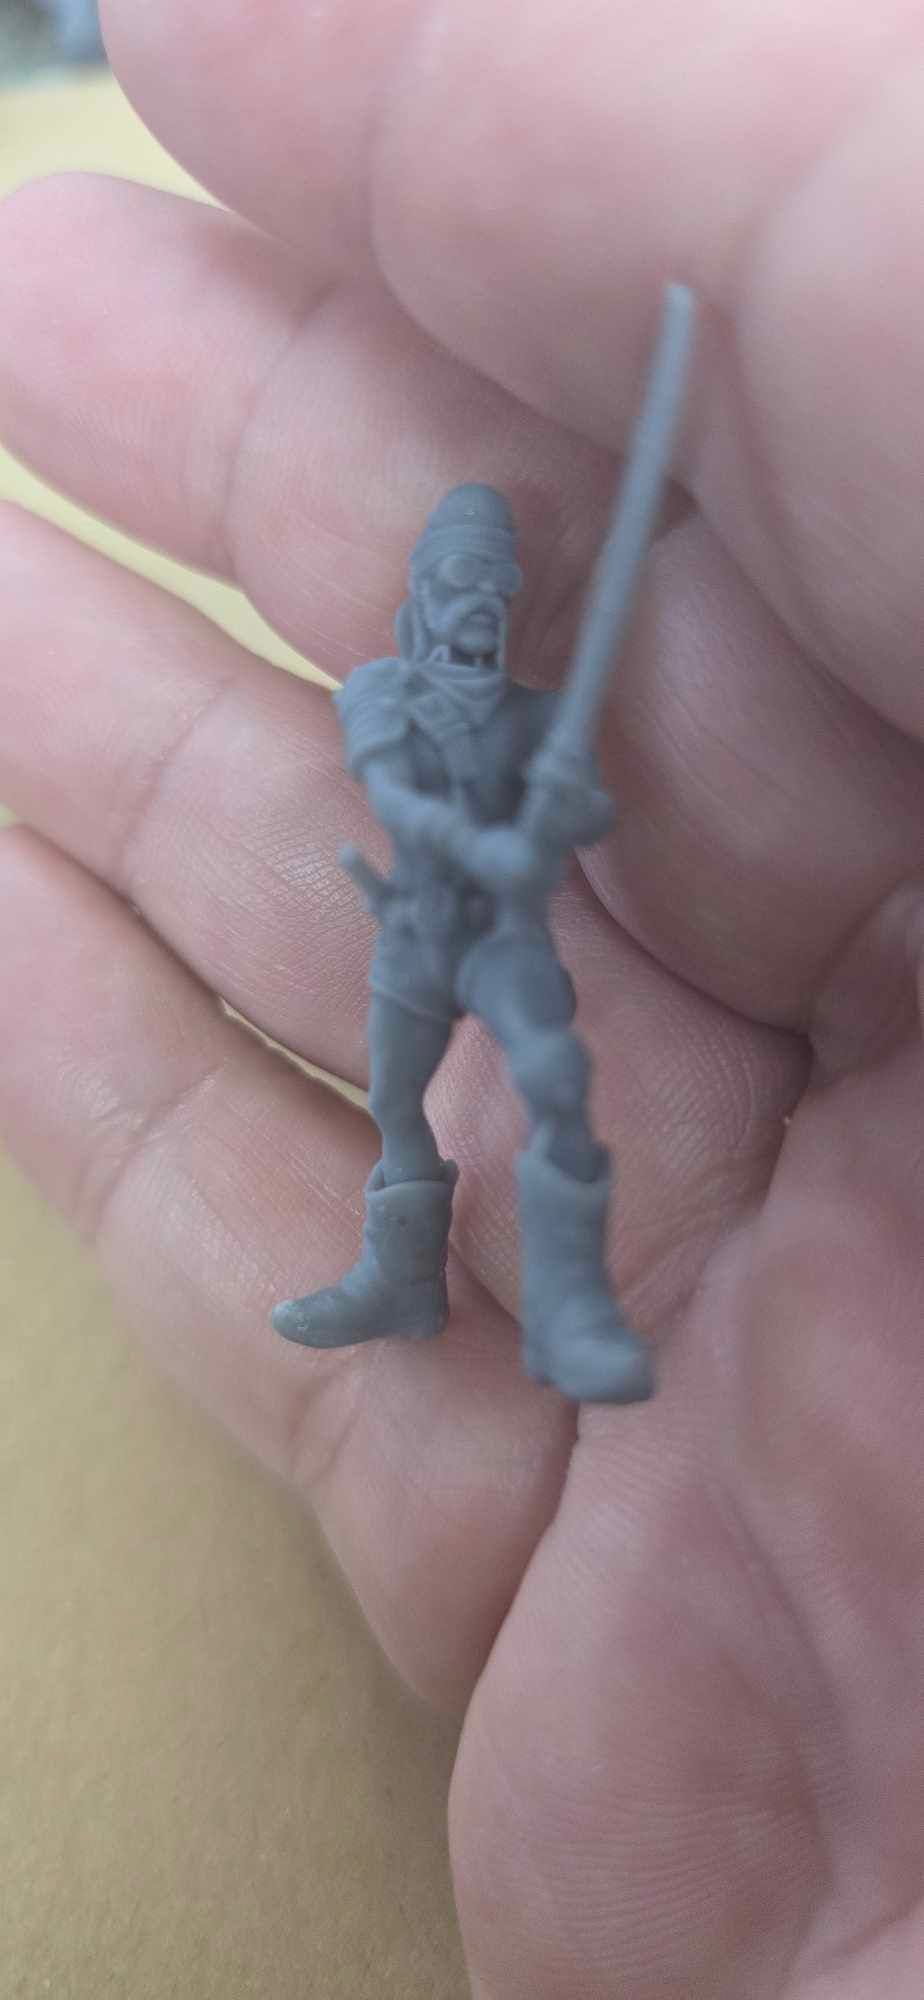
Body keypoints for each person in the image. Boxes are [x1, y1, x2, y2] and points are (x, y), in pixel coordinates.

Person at [1, 3, 923, 1994]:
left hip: (505, 925)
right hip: (412, 921)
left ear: (503, 615)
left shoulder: (511, 696)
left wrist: (563, 802)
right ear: (416, 598)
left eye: (485, 604)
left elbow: (564, 804)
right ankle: (397, 1271)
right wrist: (479, 812)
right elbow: (411, 786)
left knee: (564, 1087)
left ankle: (572, 1301)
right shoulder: (381, 692)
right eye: (447, 594)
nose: (461, 619)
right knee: (406, 1101)